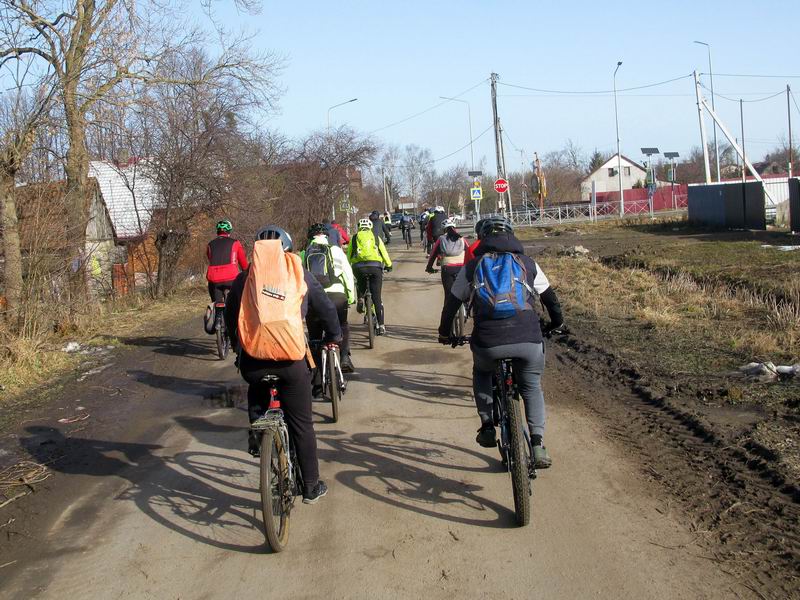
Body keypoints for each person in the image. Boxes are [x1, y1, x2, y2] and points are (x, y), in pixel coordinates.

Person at [225, 225, 341, 504]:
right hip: (291, 361)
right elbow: (325, 307)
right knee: (302, 423)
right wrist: (334, 335)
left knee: (256, 389)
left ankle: (258, 438)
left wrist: (237, 347)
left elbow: (232, 318)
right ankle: (311, 486)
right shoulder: (299, 273)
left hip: (254, 362)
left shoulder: (244, 279)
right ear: (286, 251)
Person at [438, 216, 564, 469]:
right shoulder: (527, 263)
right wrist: (556, 323)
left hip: (488, 341)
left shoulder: (473, 266)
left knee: (482, 372)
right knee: (530, 387)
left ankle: (486, 427)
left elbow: (452, 303)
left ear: (482, 240)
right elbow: (550, 300)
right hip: (527, 337)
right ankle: (538, 445)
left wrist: (444, 333)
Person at [301, 223, 356, 378]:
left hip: (314, 300)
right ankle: (344, 357)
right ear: (327, 236)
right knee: (342, 325)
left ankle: (318, 378)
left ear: (311, 238)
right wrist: (350, 297)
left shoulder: (304, 254)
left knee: (315, 336)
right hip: (337, 296)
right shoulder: (336, 251)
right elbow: (347, 275)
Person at [348, 218, 393, 335]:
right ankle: (382, 325)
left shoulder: (354, 238)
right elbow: (384, 253)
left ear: (359, 227)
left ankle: (361, 298)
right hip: (375, 267)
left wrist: (349, 268)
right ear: (370, 227)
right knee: (377, 297)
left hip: (358, 268)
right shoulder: (376, 238)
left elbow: (348, 256)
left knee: (360, 283)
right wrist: (389, 265)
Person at [206, 220, 248, 306]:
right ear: (229, 231)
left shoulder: (210, 244)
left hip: (214, 279)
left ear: (217, 231)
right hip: (231, 278)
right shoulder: (235, 243)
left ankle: (217, 314)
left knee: (217, 303)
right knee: (235, 303)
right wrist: (246, 271)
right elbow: (243, 261)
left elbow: (210, 258)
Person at [426, 217, 466, 300]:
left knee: (448, 296)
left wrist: (429, 267)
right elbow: (470, 251)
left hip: (448, 269)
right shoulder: (462, 238)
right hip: (462, 268)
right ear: (454, 228)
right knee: (465, 293)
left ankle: (447, 312)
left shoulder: (441, 239)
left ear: (443, 230)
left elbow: (433, 254)